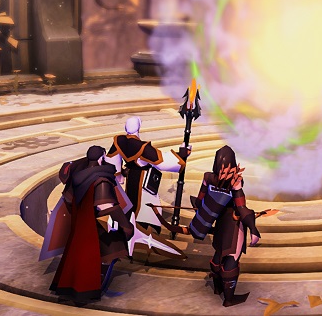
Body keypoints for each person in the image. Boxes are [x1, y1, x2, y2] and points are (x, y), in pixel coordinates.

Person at [47, 145, 134, 302]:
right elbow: (106, 206)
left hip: (79, 222)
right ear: (101, 158)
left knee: (75, 253)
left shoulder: (78, 173)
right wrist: (126, 225)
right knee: (89, 254)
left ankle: (67, 287)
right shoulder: (100, 179)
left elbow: (68, 198)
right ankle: (83, 291)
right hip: (89, 226)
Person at [191, 145, 260, 307]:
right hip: (233, 225)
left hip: (219, 221)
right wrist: (253, 229)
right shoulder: (235, 182)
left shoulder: (208, 177)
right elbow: (241, 208)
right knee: (231, 258)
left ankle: (217, 288)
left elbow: (199, 201)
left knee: (218, 252)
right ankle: (229, 299)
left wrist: (204, 213)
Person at [106, 116, 189, 234]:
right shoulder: (143, 147)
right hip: (144, 181)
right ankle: (143, 232)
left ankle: (131, 227)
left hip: (130, 177)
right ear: (139, 127)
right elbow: (162, 162)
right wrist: (181, 155)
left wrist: (120, 175)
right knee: (145, 208)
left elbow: (112, 162)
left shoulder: (119, 141)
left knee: (131, 203)